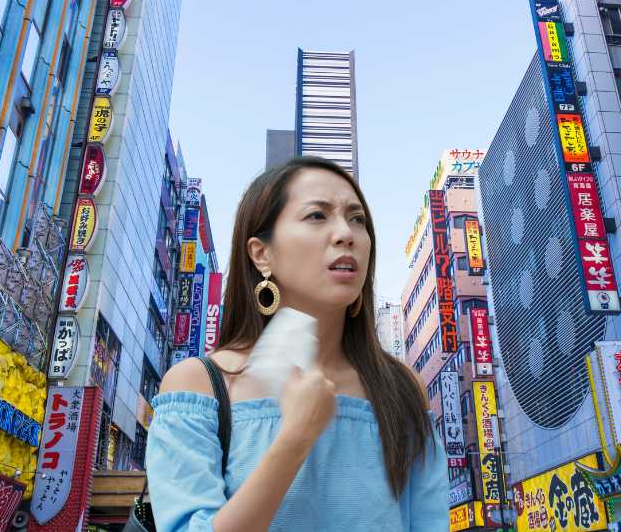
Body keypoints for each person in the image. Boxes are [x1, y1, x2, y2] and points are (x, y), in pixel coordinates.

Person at [145, 157, 448, 531]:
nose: (345, 234)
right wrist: (295, 438)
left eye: (357, 219)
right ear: (261, 253)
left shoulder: (403, 388)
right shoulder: (198, 384)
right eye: (317, 216)